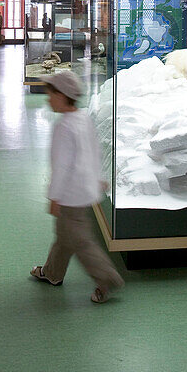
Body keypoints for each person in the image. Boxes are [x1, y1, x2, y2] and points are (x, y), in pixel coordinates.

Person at [30, 70, 124, 304]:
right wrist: (98, 177)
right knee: (64, 237)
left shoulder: (64, 127)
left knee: (81, 242)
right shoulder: (82, 118)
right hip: (84, 189)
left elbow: (61, 167)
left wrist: (54, 197)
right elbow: (94, 151)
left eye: (51, 94)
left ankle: (107, 279)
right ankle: (52, 273)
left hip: (71, 195)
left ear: (63, 96)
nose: (47, 98)